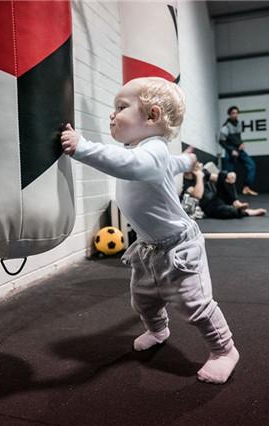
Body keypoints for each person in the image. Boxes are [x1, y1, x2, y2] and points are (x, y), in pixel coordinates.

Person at [60, 77, 239, 384]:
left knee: (195, 305)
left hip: (179, 248)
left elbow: (132, 166)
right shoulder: (149, 152)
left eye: (121, 107)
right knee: (143, 299)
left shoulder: (150, 151)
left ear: (152, 116)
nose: (112, 115)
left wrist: (83, 147)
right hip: (148, 248)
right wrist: (187, 160)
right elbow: (170, 165)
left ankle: (225, 351)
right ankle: (158, 330)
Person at [182, 163, 267, 219]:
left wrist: (229, 177)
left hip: (216, 197)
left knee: (223, 173)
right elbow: (198, 195)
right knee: (226, 211)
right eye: (196, 164)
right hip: (209, 207)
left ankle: (236, 202)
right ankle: (248, 212)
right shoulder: (187, 183)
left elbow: (220, 178)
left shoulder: (204, 173)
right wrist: (199, 176)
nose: (199, 165)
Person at [219, 106, 259, 196]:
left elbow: (237, 138)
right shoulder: (225, 127)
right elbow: (221, 141)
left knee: (251, 165)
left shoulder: (238, 124)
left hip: (239, 150)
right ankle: (228, 193)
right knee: (229, 173)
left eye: (236, 113)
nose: (235, 115)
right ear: (229, 115)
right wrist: (231, 150)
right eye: (233, 113)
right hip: (230, 151)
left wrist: (241, 143)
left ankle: (246, 188)